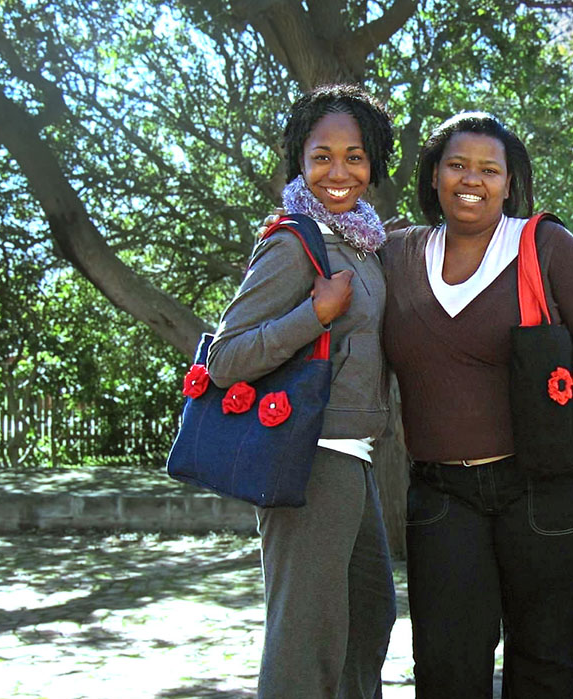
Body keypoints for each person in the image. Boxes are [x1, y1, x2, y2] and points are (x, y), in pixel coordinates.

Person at [381, 112, 573, 698]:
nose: (471, 179)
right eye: (457, 165)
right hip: (442, 493)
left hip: (546, 492)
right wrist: (291, 224)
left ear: (508, 181)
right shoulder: (396, 255)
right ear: (433, 176)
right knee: (446, 665)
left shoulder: (546, 246)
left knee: (542, 658)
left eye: (488, 169)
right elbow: (332, 249)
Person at [205, 84, 397, 699]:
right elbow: (226, 359)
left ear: (373, 163)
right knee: (305, 641)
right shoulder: (294, 242)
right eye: (321, 156)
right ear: (299, 160)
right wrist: (311, 316)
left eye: (354, 156)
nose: (337, 171)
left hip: (354, 456)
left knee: (370, 615)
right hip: (308, 455)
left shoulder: (364, 244)